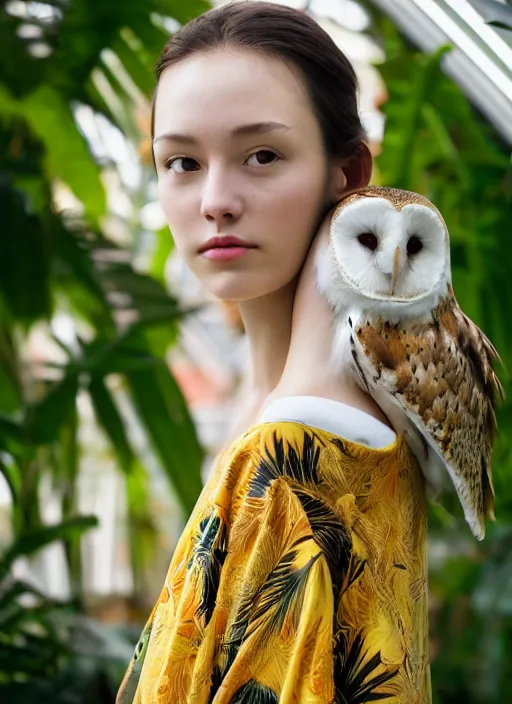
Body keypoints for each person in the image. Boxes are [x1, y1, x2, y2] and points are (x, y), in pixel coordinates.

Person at [117, 3, 430, 702]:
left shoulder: (295, 450)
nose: (216, 201)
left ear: (347, 172)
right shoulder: (288, 414)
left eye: (262, 155)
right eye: (182, 162)